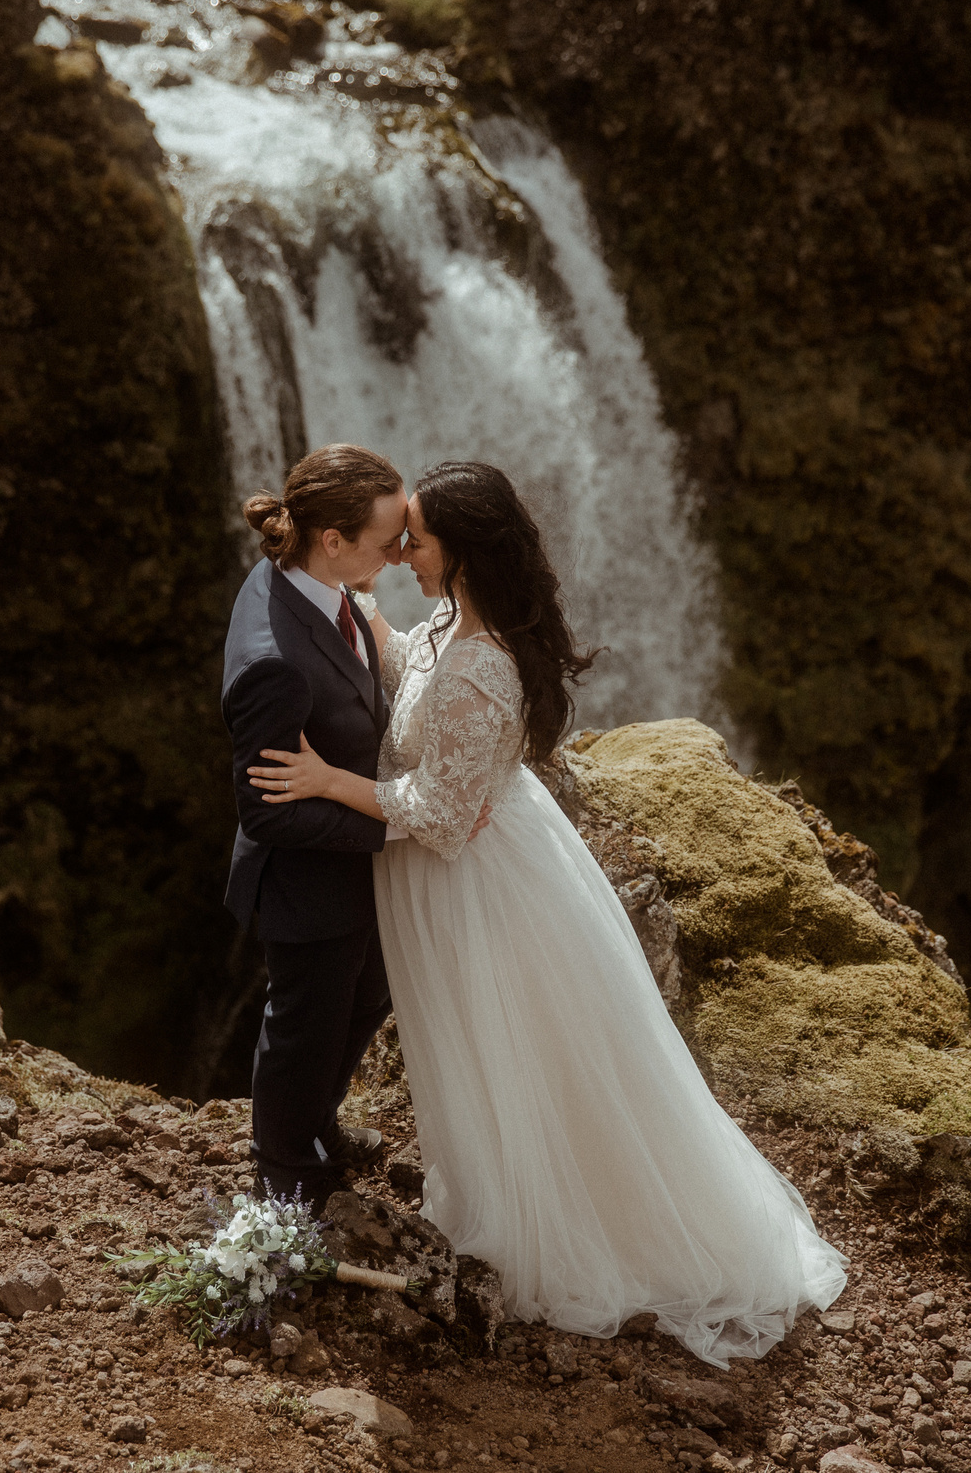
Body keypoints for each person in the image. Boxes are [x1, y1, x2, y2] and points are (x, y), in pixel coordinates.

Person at [250, 460, 848, 1365]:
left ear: (460, 553)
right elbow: (420, 666)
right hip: (482, 862)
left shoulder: (487, 669)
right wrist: (356, 617)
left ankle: (562, 1229)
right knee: (495, 1047)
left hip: (476, 883)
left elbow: (444, 814)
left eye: (414, 538)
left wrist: (334, 779)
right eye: (394, 536)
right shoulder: (461, 619)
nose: (400, 551)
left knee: (512, 1045)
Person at [221, 443, 410, 1208]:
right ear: (332, 539)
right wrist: (389, 822)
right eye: (386, 539)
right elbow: (267, 809)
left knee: (367, 996)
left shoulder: (311, 582)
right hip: (309, 882)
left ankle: (316, 1123)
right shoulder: (278, 661)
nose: (399, 554)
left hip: (351, 866)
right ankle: (284, 1160)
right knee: (305, 1020)